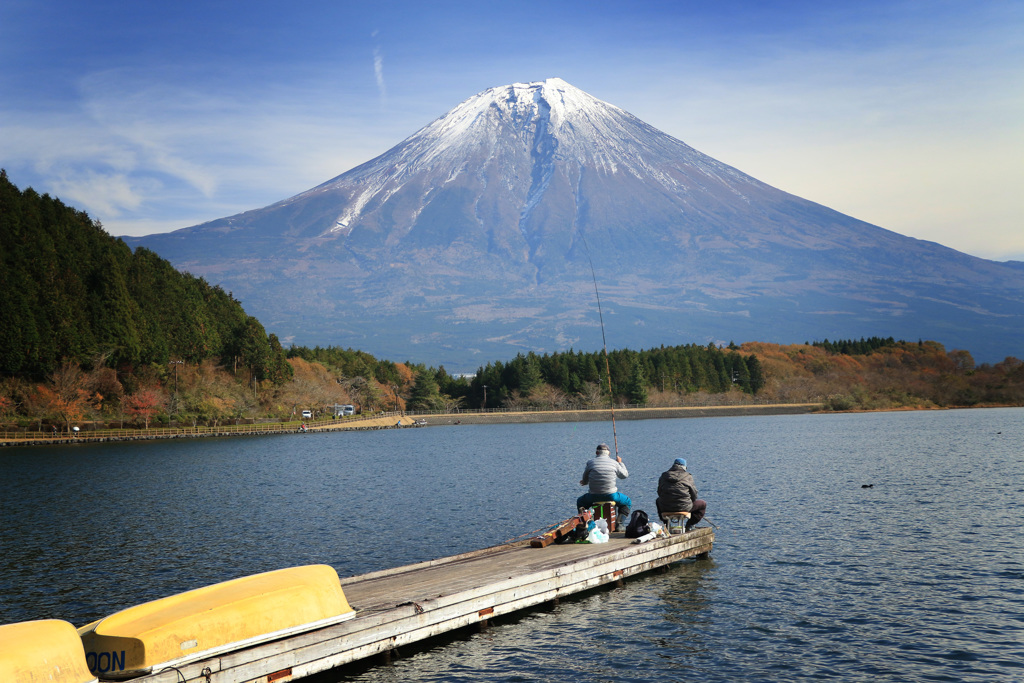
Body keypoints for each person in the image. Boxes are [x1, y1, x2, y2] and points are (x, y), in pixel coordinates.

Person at [577, 443, 632, 520]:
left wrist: (584, 482)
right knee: (627, 501)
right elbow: (624, 475)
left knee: (580, 502)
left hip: (593, 496)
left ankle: (586, 522)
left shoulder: (590, 463)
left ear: (597, 453)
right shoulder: (614, 463)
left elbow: (585, 480)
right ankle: (620, 524)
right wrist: (620, 463)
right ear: (609, 453)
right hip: (611, 495)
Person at [656, 458, 706, 531]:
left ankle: (666, 524)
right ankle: (689, 525)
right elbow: (694, 495)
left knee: (658, 500)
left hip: (666, 507)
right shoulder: (688, 476)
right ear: (684, 467)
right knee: (702, 504)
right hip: (684, 507)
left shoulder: (664, 476)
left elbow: (659, 492)